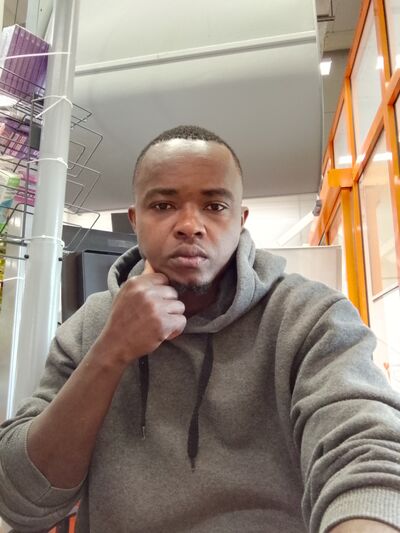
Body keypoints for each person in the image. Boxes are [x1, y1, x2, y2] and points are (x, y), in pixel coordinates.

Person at [0, 125, 400, 533]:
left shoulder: (310, 316)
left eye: (214, 206)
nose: (190, 225)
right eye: (163, 205)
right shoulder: (90, 326)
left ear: (240, 220)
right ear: (135, 220)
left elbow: (366, 449)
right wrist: (110, 351)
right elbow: (23, 501)